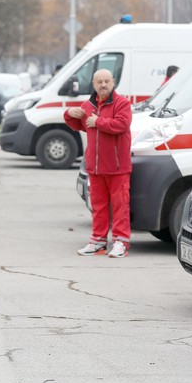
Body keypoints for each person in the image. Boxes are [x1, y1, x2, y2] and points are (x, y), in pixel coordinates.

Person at [64, 68, 132, 258]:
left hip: (118, 168)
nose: (103, 85)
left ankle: (121, 242)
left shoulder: (122, 103)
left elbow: (122, 124)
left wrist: (98, 122)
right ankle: (98, 242)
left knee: (120, 206)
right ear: (93, 84)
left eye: (106, 81)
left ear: (113, 82)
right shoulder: (88, 105)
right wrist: (69, 113)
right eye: (99, 81)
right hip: (95, 168)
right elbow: (76, 124)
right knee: (99, 207)